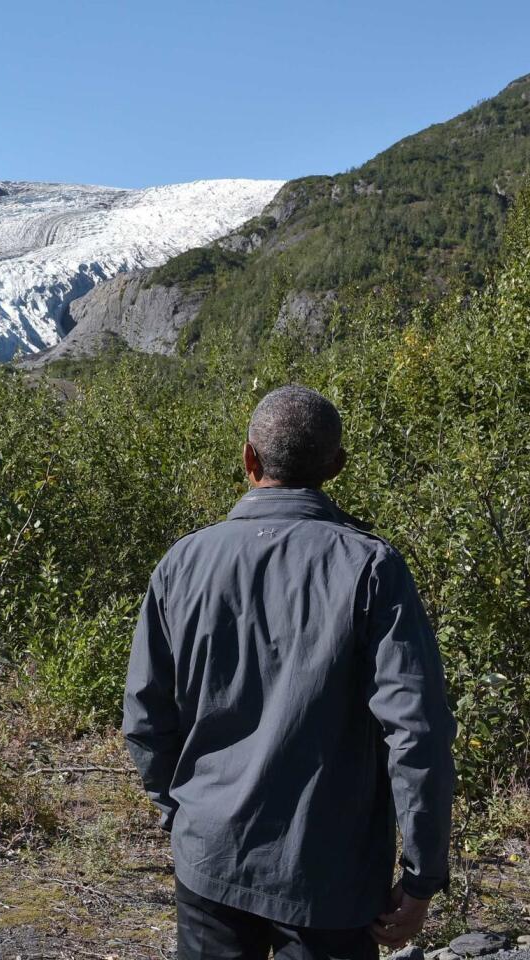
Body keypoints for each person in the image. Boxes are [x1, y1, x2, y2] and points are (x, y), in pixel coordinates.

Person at [123, 384, 455, 960]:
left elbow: (145, 715)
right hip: (328, 871)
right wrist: (422, 873)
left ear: (249, 459)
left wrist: (176, 813)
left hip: (209, 856)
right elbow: (417, 731)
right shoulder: (371, 567)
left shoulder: (183, 562)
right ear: (337, 466)